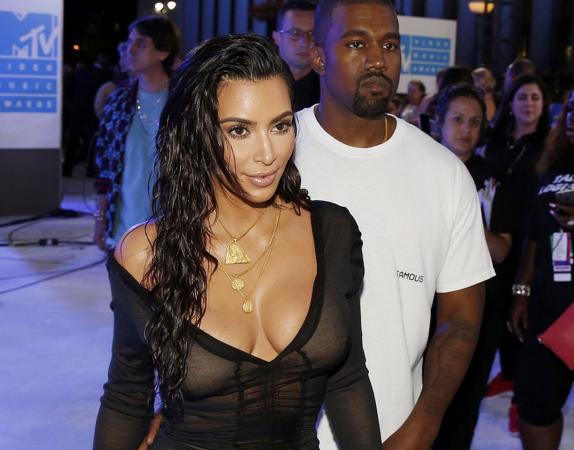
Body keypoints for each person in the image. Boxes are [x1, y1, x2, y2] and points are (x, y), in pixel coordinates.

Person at [93, 34, 383, 450]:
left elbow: (348, 379)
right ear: (196, 133)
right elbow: (126, 397)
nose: (267, 153)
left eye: (280, 125)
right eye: (239, 130)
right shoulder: (145, 253)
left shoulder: (331, 231)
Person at [294, 0, 494, 448]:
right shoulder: (274, 154)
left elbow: (461, 319)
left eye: (389, 45)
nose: (377, 60)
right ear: (318, 56)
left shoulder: (444, 174)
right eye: (356, 44)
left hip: (395, 432)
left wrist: (424, 423)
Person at [432, 84, 514, 449]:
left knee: (464, 406)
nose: (466, 129)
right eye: (458, 120)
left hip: (481, 308)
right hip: (423, 304)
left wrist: (465, 219)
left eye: (475, 122)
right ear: (439, 122)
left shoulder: (494, 179)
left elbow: (502, 250)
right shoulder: (419, 170)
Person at [481, 74, 550, 421]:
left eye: (535, 98)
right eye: (523, 97)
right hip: (496, 238)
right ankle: (508, 373)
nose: (529, 104)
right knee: (498, 308)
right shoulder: (494, 142)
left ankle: (524, 394)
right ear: (510, 102)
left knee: (526, 311)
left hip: (533, 241)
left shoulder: (549, 145)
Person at [510, 89, 574, 450]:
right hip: (549, 308)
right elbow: (534, 236)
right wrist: (521, 291)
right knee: (536, 405)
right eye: (571, 110)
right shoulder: (553, 168)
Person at [93, 16, 180, 250]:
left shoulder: (184, 103)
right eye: (129, 42)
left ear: (163, 52)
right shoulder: (118, 103)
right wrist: (100, 219)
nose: (130, 50)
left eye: (140, 44)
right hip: (123, 230)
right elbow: (104, 169)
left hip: (173, 232)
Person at [272, 0, 319, 111]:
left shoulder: (330, 89)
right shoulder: (257, 80)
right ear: (277, 37)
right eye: (295, 33)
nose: (305, 42)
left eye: (312, 33)